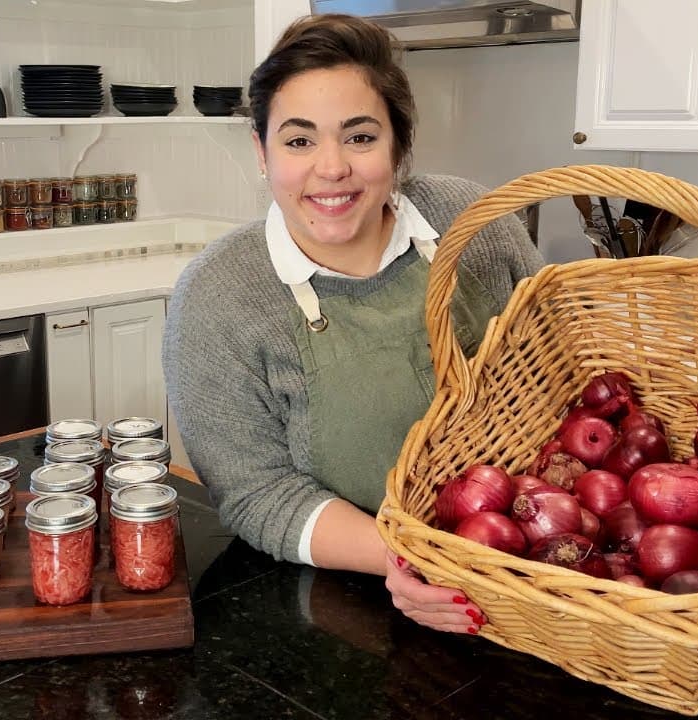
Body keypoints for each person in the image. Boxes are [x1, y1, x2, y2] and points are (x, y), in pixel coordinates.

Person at [162, 14, 544, 635]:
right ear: (261, 152)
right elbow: (257, 493)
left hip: (545, 565)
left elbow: (558, 367)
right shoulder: (218, 298)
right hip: (353, 610)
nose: (331, 168)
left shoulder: (476, 222)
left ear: (399, 145)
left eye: (361, 137)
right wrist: (410, 559)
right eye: (299, 140)